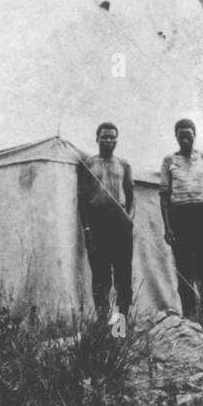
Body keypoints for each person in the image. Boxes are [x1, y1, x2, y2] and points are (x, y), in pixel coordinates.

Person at [160, 118, 203, 320]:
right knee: (183, 270)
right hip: (179, 216)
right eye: (181, 135)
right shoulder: (169, 160)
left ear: (195, 135)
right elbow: (164, 196)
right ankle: (189, 317)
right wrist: (167, 226)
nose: (185, 138)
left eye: (189, 134)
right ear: (176, 136)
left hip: (202, 214)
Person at [77, 122, 135, 322]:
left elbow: (131, 195)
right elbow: (83, 198)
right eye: (105, 137)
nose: (109, 141)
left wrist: (130, 219)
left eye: (112, 137)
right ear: (97, 139)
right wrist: (87, 228)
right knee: (101, 274)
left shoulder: (123, 165)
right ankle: (103, 323)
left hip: (120, 220)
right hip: (97, 219)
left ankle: (120, 325)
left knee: (123, 273)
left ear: (117, 140)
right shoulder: (88, 163)